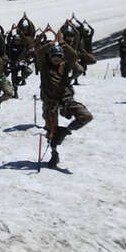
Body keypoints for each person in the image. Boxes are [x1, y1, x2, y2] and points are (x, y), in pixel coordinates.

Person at [36, 26, 93, 168]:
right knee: (51, 131)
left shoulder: (65, 66)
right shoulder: (44, 67)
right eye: (54, 56)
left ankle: (65, 131)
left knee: (86, 116)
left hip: (66, 100)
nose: (56, 59)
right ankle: (54, 153)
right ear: (50, 57)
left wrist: (63, 44)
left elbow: (73, 56)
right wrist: (51, 43)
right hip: (50, 102)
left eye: (59, 56)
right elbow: (39, 52)